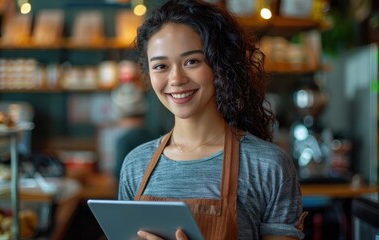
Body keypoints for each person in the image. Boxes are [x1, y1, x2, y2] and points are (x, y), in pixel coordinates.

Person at [118, 0, 307, 239]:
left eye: (192, 61)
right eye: (161, 66)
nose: (176, 78)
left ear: (220, 65)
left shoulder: (268, 165)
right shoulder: (136, 165)